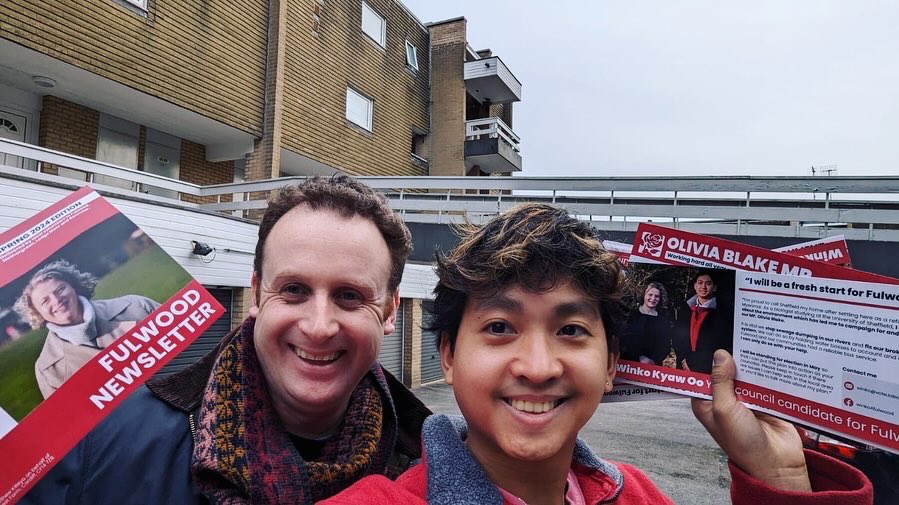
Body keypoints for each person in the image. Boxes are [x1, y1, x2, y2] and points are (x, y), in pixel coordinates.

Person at [322, 203, 872, 505]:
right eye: (498, 326)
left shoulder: (638, 495)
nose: (537, 367)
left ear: (611, 364)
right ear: (447, 356)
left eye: (571, 330)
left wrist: (779, 479)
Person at [23, 175, 431, 504]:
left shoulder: (438, 469)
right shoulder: (101, 447)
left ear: (390, 310)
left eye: (350, 296)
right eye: (293, 289)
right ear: (256, 294)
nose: (318, 326)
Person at [14, 260, 160, 398]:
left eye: (60, 289)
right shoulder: (47, 369)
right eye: (45, 301)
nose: (57, 300)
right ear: (37, 313)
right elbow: (71, 420)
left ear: (74, 287)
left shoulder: (136, 306)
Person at [672, 270, 733, 373]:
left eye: (708, 283)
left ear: (714, 287)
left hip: (707, 369)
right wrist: (683, 358)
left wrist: (694, 362)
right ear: (695, 286)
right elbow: (677, 337)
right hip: (683, 366)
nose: (703, 287)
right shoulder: (685, 308)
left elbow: (720, 344)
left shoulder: (723, 313)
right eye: (700, 283)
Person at [620, 281, 671, 365]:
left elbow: (666, 346)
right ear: (644, 295)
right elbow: (624, 340)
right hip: (629, 364)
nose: (653, 298)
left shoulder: (663, 320)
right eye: (650, 295)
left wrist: (653, 360)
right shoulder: (631, 315)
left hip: (653, 367)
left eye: (657, 296)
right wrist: (640, 357)